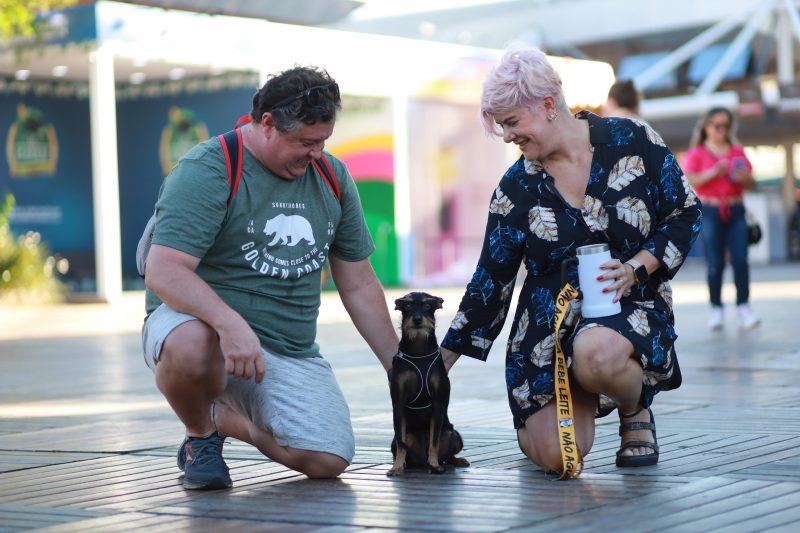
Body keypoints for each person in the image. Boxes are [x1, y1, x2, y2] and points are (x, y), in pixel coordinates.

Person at [439, 45, 703, 475]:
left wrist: (638, 265)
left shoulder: (632, 140)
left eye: (511, 122)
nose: (507, 136)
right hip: (546, 327)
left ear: (546, 105)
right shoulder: (516, 187)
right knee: (560, 457)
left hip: (626, 306)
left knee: (597, 352)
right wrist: (440, 361)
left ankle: (633, 407)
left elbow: (685, 212)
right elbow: (492, 278)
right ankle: (566, 397)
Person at [141, 66, 399, 490]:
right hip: (205, 333)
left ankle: (223, 418)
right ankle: (200, 436)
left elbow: (357, 282)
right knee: (194, 345)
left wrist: (400, 367)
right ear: (266, 124)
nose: (316, 153)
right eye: (304, 142)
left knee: (328, 459)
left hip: (286, 347)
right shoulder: (211, 167)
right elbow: (163, 270)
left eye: (322, 141)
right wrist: (229, 323)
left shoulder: (332, 177)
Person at [683, 107, 760, 330]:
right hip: (711, 211)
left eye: (726, 126)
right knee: (715, 262)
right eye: (717, 126)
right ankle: (716, 307)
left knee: (740, 259)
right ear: (707, 127)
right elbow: (690, 181)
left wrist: (744, 177)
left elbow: (753, 183)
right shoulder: (697, 153)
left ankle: (744, 306)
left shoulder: (736, 151)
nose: (722, 131)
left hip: (735, 209)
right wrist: (713, 173)